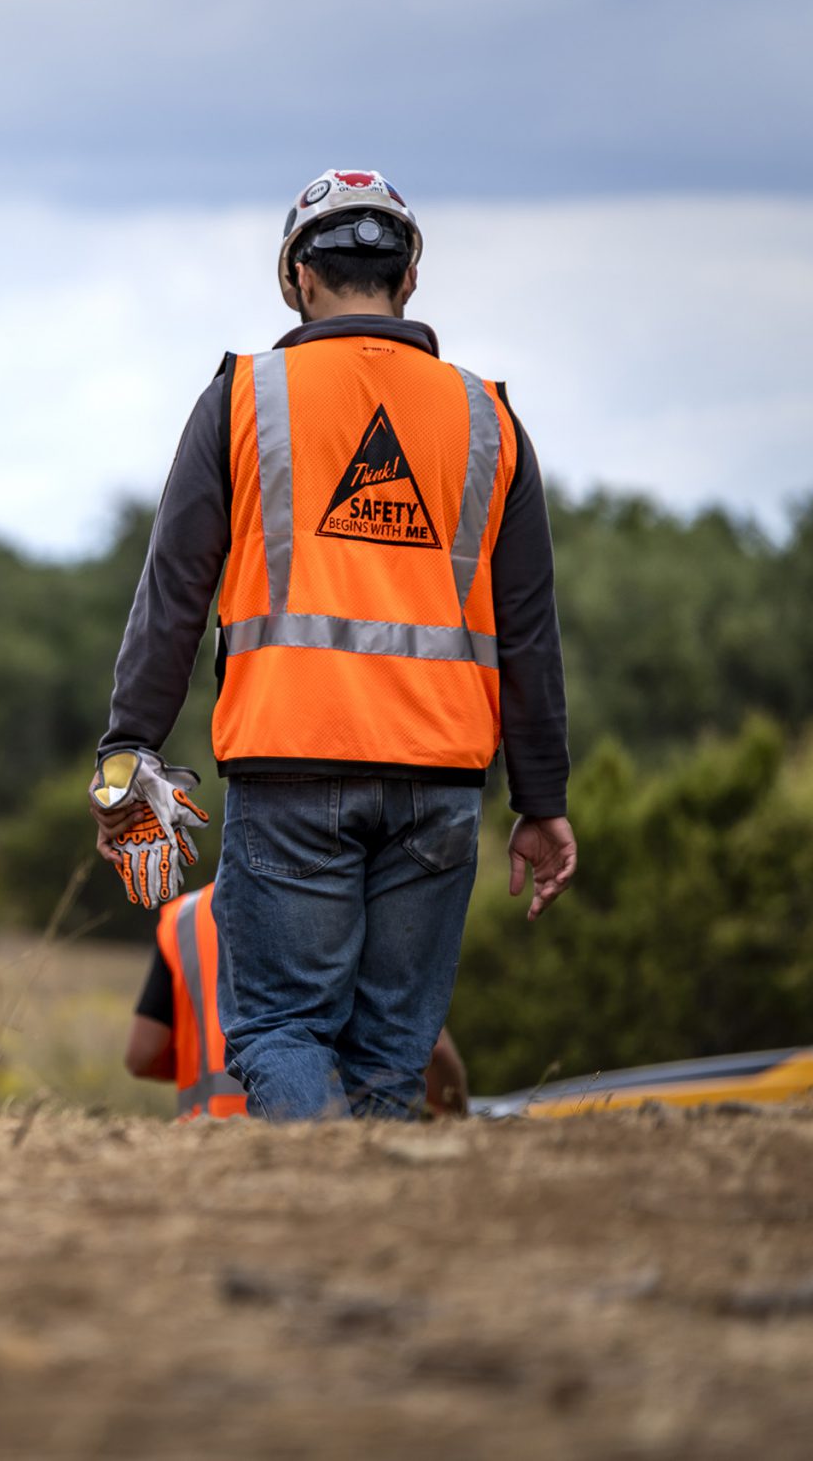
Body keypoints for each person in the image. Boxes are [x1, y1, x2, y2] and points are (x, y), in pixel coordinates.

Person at [94, 170, 577, 1121]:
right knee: (393, 1056)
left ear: (297, 280)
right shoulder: (488, 416)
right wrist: (543, 800)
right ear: (408, 279)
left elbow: (174, 593)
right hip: (441, 781)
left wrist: (128, 748)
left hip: (291, 770)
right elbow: (528, 627)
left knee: (281, 1033)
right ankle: (364, 1234)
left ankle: (308, 1217)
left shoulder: (243, 395)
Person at [122, 882, 468, 1118]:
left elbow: (143, 1054)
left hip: (208, 1138)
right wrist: (459, 1115)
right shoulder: (352, 908)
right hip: (320, 1135)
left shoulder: (188, 915)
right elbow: (429, 1047)